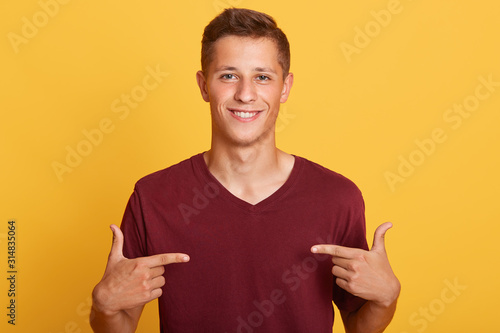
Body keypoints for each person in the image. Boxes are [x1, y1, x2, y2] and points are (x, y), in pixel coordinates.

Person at [90, 7, 400, 333]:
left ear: (285, 87)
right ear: (203, 85)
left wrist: (386, 299)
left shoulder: (337, 198)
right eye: (228, 75)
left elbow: (358, 325)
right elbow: (120, 326)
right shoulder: (153, 197)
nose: (245, 94)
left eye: (262, 77)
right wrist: (105, 306)